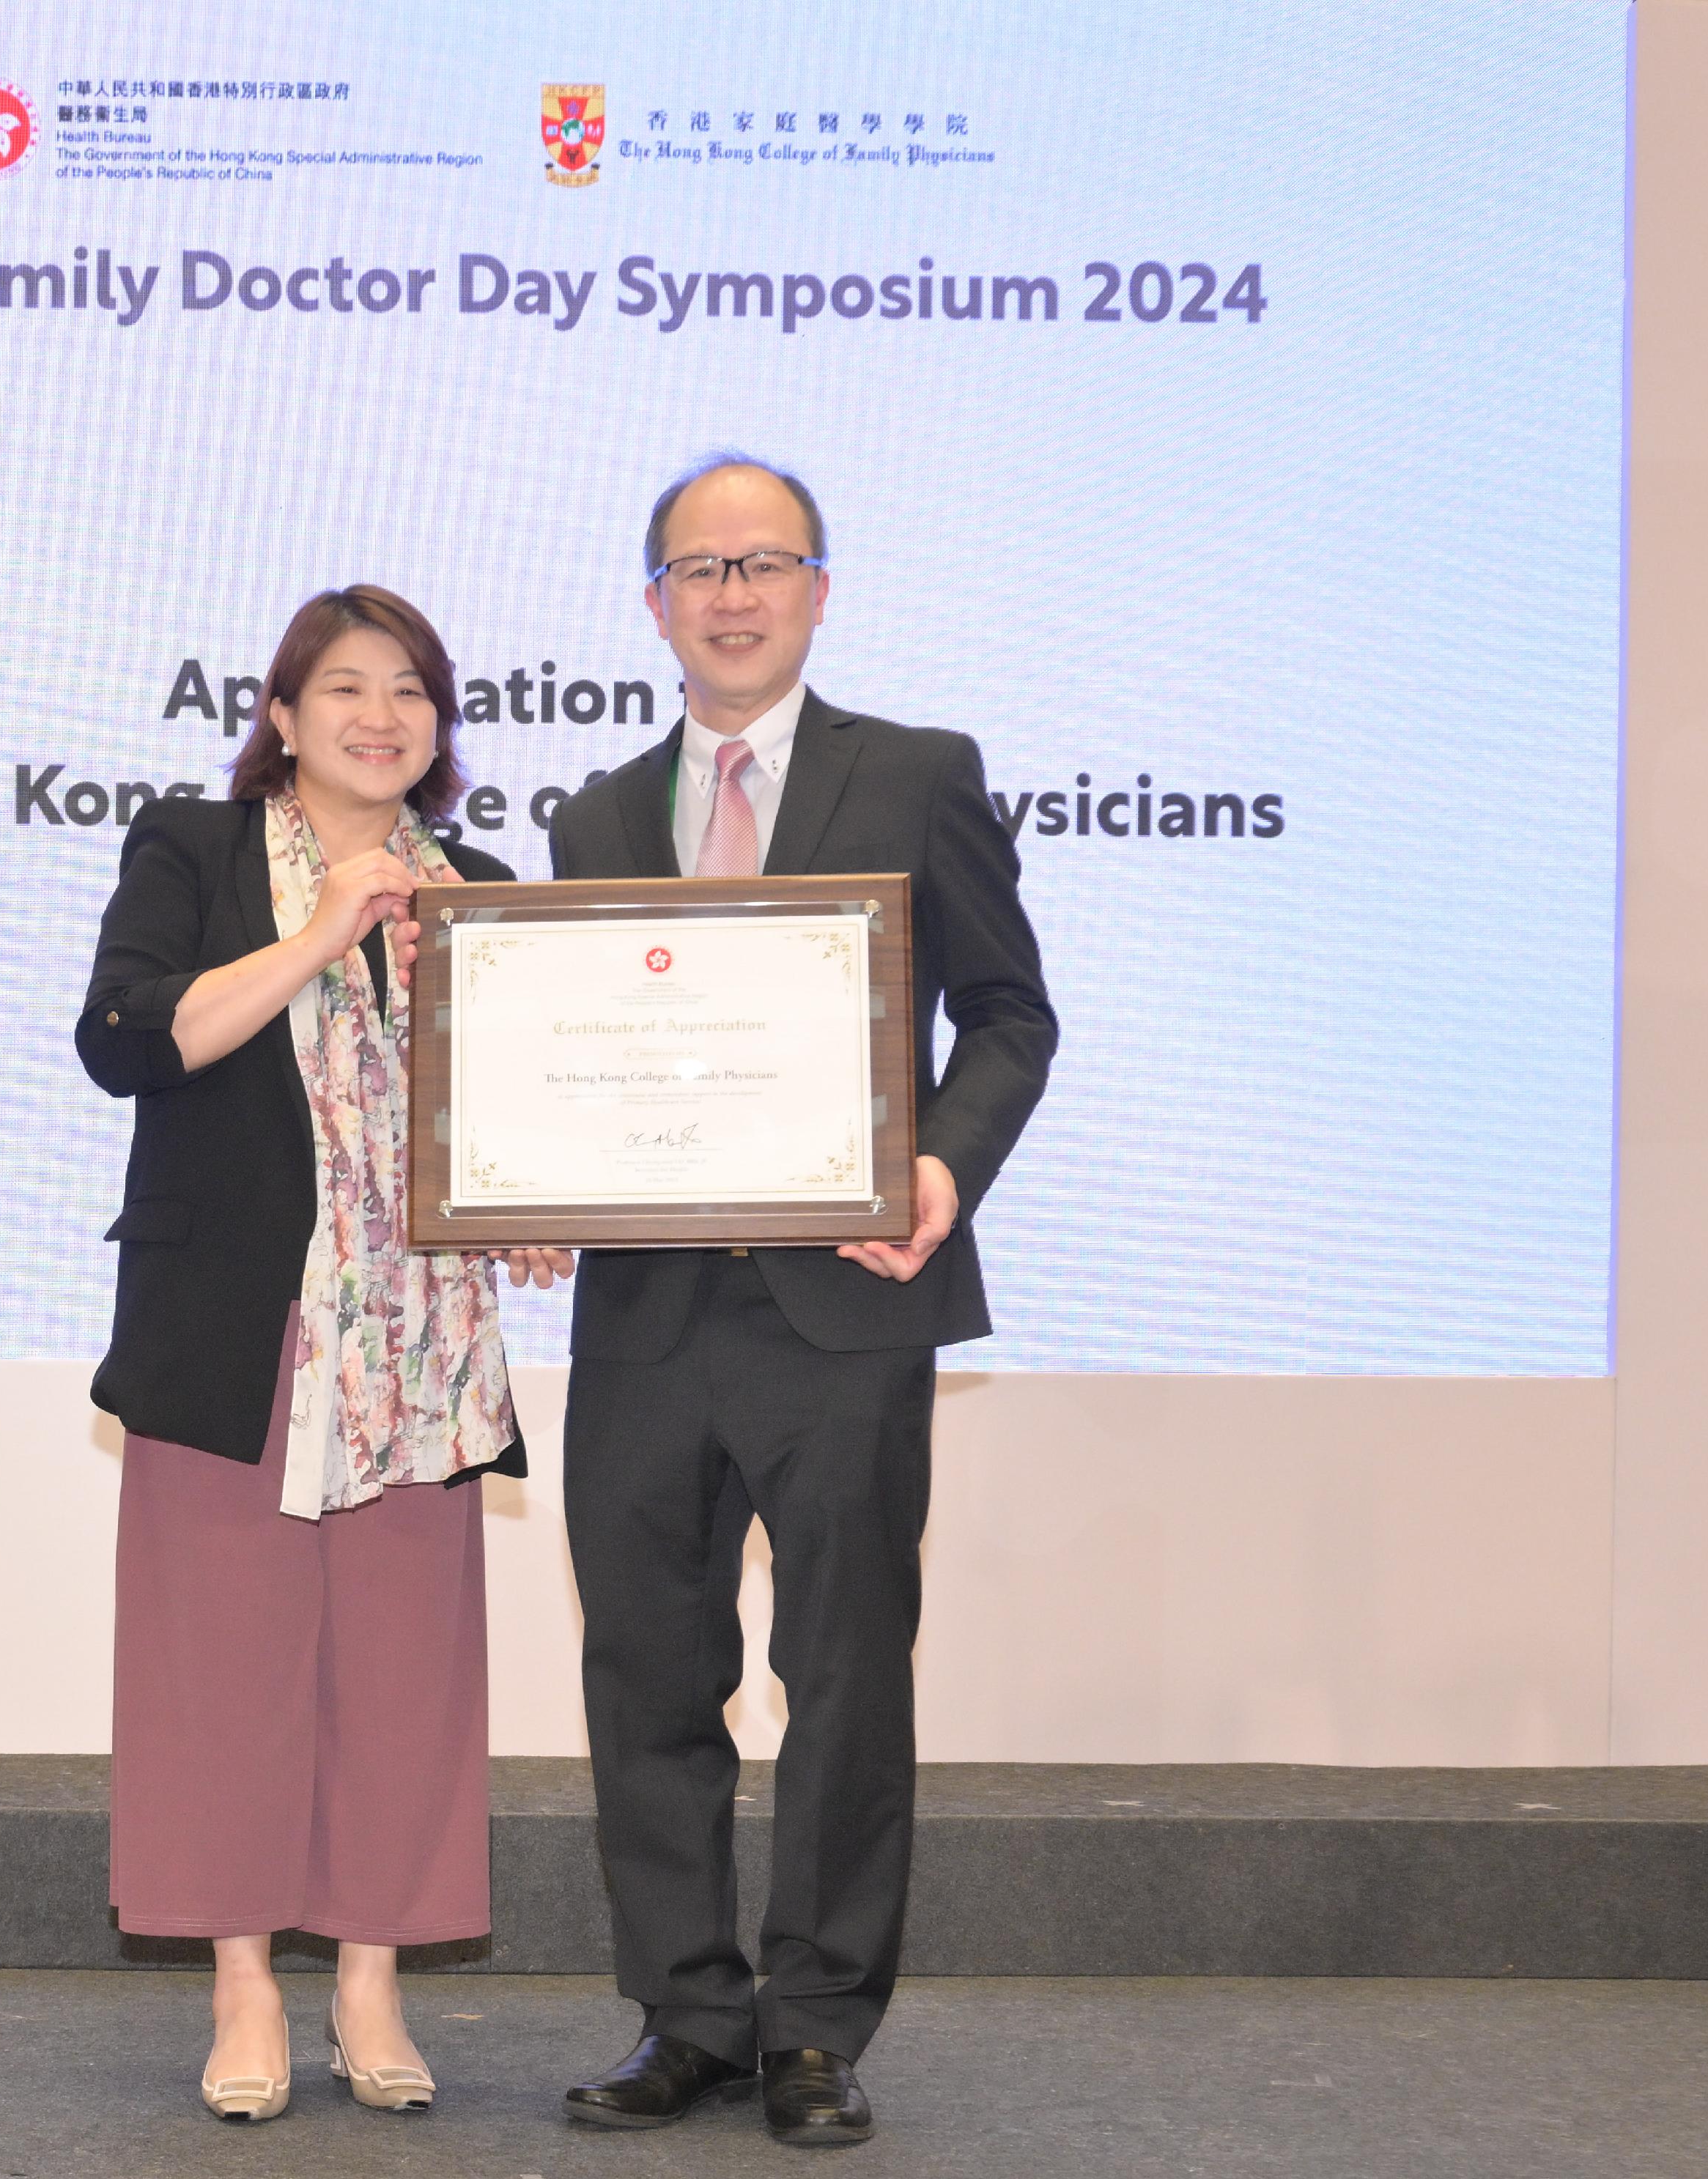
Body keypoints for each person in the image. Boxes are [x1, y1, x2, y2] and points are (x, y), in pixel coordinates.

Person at [549, 457, 1056, 2147]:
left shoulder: (914, 774)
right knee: (644, 1669)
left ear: (818, 590)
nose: (731, 592)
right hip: (641, 1317)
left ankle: (817, 2028)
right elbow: (575, 1059)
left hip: (845, 1300)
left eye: (763, 561)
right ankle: (684, 2014)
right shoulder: (594, 815)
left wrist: (942, 1163)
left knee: (843, 1674)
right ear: (653, 606)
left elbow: (1006, 1013)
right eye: (698, 565)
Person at [76, 583, 571, 2124]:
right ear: (280, 716)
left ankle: (368, 1976)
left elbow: (499, 1113)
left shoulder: (476, 884)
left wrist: (534, 1202)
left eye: (411, 688)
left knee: (405, 1672)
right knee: (219, 1665)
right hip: (241, 1327)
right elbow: (128, 1038)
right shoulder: (196, 850)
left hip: (414, 1342)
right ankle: (241, 1980)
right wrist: (318, 932)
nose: (381, 713)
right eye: (344, 686)